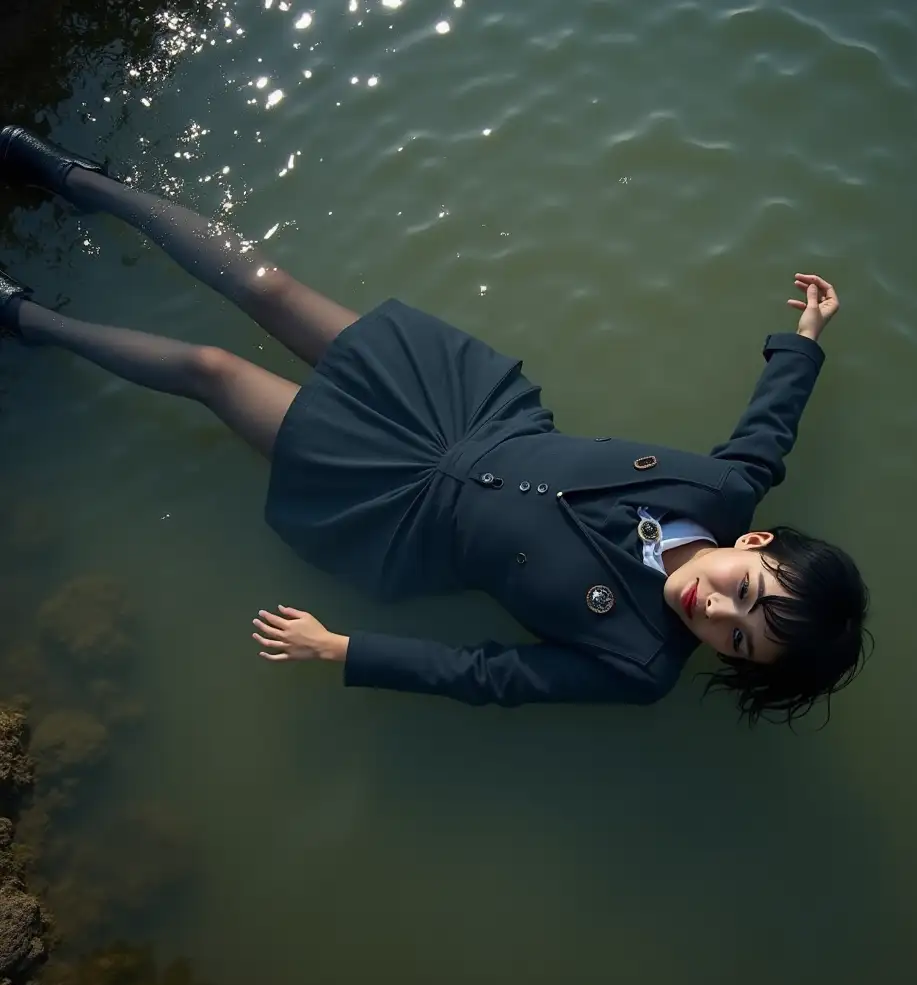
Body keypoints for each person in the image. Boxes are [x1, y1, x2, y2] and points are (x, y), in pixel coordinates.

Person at [0, 125, 869, 723]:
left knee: (212, 371)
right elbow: (767, 433)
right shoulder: (725, 491)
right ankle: (77, 178)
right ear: (753, 546)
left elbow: (493, 676)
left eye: (737, 642)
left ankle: (26, 316)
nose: (714, 610)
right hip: (458, 406)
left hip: (404, 505)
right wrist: (805, 338)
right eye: (742, 595)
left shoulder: (637, 664)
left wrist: (343, 650)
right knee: (263, 288)